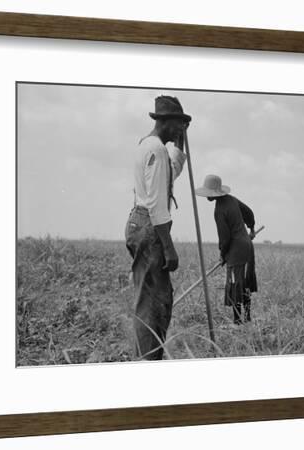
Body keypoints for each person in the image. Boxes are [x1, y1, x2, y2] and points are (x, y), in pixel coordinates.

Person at [125, 96, 191, 360]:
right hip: (150, 226)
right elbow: (156, 203)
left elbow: (169, 174)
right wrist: (168, 247)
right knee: (154, 304)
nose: (179, 130)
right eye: (178, 124)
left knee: (152, 299)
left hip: (139, 222)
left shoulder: (150, 146)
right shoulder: (156, 150)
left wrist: (181, 142)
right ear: (165, 121)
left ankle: (148, 357)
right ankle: (148, 362)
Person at [195, 174, 258, 324]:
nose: (207, 196)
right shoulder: (232, 200)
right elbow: (248, 212)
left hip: (236, 251)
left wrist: (223, 255)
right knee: (245, 282)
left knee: (235, 284)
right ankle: (247, 318)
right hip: (248, 246)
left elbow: (225, 238)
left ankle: (237, 322)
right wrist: (251, 228)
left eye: (209, 193)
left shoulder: (219, 210)